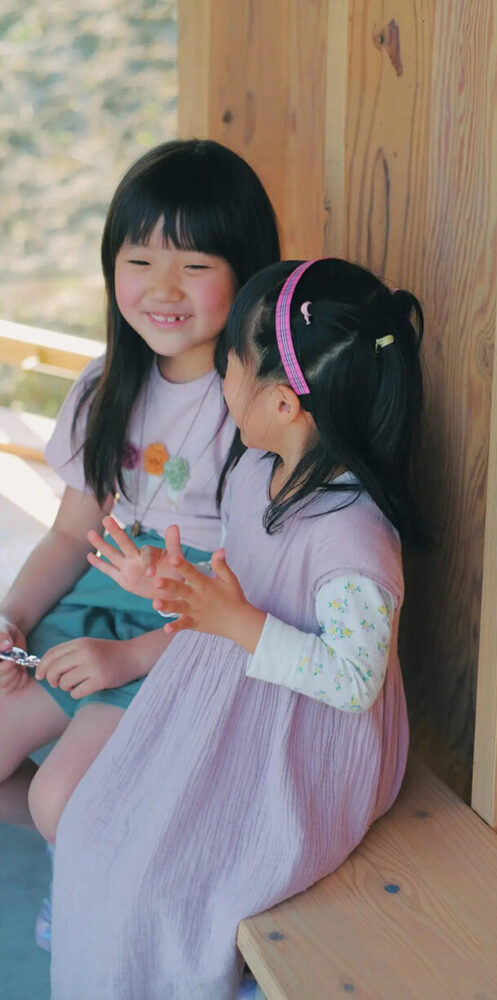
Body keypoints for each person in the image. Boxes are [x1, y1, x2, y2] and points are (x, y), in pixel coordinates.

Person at [49, 257, 425, 1000]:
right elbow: (237, 587)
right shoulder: (257, 470)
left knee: (169, 878)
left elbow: (353, 683)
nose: (220, 381)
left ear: (285, 404)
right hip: (225, 686)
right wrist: (169, 585)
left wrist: (236, 622)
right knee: (94, 823)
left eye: (231, 367)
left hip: (304, 740)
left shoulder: (355, 536)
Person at [0, 139, 280, 922]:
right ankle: (93, 851)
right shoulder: (105, 384)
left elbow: (251, 593)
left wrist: (128, 655)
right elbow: (69, 535)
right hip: (102, 599)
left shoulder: (257, 408)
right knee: (59, 805)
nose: (163, 289)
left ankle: (97, 884)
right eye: (139, 260)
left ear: (246, 270)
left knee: (64, 796)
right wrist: (13, 618)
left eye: (193, 265)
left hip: (197, 631)